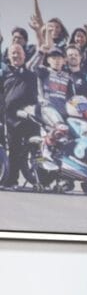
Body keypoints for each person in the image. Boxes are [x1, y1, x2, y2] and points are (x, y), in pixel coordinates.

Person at [0, 42, 37, 187]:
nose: (16, 55)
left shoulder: (31, 71)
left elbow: (40, 55)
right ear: (8, 57)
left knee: (36, 148)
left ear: (24, 55)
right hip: (11, 117)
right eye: (13, 53)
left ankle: (42, 179)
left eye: (19, 52)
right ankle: (12, 180)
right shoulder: (4, 74)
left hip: (31, 115)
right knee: (14, 149)